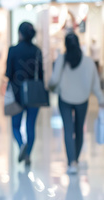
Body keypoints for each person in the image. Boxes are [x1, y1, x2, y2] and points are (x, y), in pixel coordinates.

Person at [49, 33, 104, 174]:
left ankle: (71, 162)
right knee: (79, 129)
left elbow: (54, 80)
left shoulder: (62, 59)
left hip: (65, 99)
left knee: (68, 129)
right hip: (82, 100)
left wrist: (50, 87)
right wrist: (101, 100)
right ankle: (76, 160)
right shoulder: (88, 62)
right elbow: (96, 85)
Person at [5, 22, 43, 166]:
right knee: (30, 126)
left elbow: (8, 73)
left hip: (16, 92)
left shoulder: (13, 50)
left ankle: (21, 145)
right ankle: (27, 155)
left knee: (15, 125)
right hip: (33, 93)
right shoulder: (37, 51)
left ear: (20, 33)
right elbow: (40, 75)